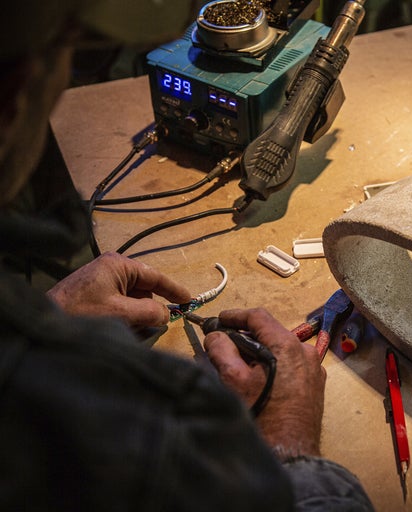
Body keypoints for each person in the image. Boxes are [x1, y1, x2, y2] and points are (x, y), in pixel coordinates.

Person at [0, 1, 373, 510]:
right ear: (14, 95)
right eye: (67, 51)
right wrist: (287, 430)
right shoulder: (162, 423)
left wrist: (55, 307)